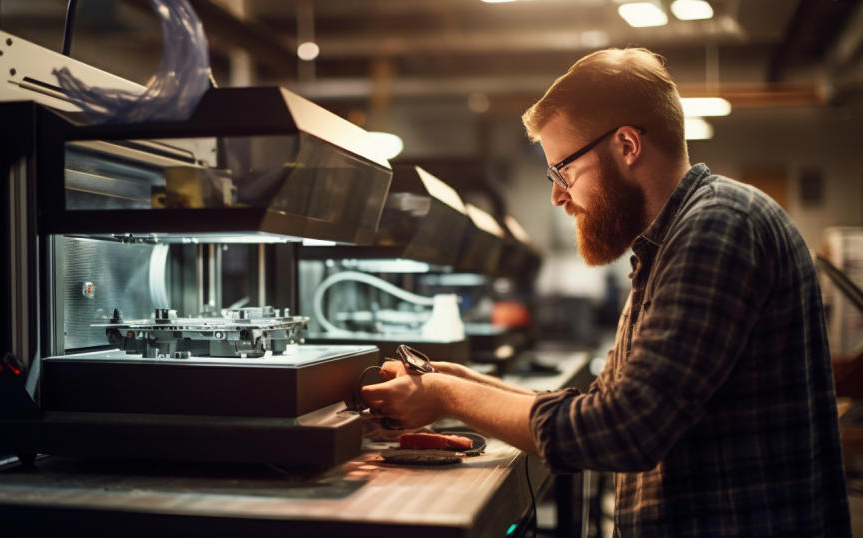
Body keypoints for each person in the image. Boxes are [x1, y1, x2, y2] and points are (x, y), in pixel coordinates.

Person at [361, 47, 851, 536]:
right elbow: (605, 401)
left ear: (627, 146)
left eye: (563, 171)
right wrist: (461, 381)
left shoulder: (718, 227)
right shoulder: (670, 241)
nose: (558, 194)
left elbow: (622, 431)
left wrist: (447, 396)